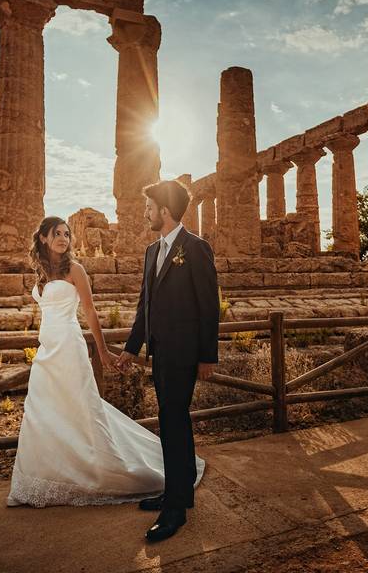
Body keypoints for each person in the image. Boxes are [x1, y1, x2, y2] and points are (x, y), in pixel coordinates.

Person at [6, 216, 204, 509]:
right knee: (42, 410)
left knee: (81, 409)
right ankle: (46, 477)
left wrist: (101, 351)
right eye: (57, 233)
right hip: (46, 348)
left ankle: (107, 472)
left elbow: (90, 311)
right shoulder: (40, 272)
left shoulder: (75, 269)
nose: (64, 238)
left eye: (67, 233)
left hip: (69, 347)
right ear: (44, 238)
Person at [118, 179, 220, 542]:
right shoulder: (151, 251)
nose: (145, 212)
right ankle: (179, 492)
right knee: (170, 420)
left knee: (174, 422)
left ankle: (174, 509)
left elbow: (209, 306)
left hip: (186, 353)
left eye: (148, 207)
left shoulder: (196, 248)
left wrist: (208, 355)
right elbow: (144, 305)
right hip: (159, 352)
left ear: (164, 210)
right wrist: (132, 348)